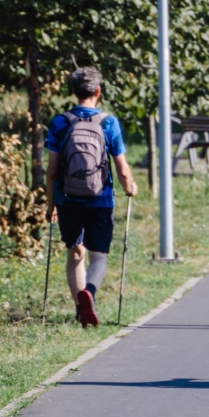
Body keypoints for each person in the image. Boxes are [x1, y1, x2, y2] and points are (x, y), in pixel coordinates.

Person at [45, 67, 138, 328]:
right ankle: (90, 293)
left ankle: (80, 310)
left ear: (73, 91)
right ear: (98, 91)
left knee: (76, 253)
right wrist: (130, 186)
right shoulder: (109, 123)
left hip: (68, 198)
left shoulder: (59, 122)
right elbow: (122, 168)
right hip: (101, 198)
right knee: (99, 256)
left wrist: (51, 205)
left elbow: (51, 171)